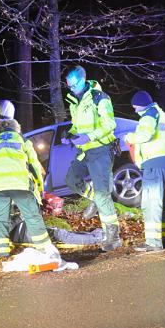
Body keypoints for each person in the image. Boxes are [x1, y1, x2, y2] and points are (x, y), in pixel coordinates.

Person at [0, 116, 61, 262]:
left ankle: (2, 254)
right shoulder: (22, 141)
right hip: (20, 185)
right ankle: (44, 248)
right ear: (17, 129)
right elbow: (34, 167)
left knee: (0, 221)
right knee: (32, 217)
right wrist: (39, 189)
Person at [62, 65, 122, 251]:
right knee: (71, 179)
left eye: (73, 85)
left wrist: (89, 136)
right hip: (85, 151)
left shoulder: (100, 98)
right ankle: (95, 199)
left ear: (83, 79)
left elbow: (110, 123)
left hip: (101, 150)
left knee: (103, 194)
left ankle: (112, 237)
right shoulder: (74, 101)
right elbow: (76, 126)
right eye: (68, 86)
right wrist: (69, 135)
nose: (71, 89)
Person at [124, 90, 165, 252]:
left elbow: (144, 135)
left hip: (153, 162)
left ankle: (153, 242)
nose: (134, 110)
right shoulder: (162, 114)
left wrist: (129, 137)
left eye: (134, 107)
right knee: (164, 203)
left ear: (139, 105)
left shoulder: (148, 115)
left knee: (151, 203)